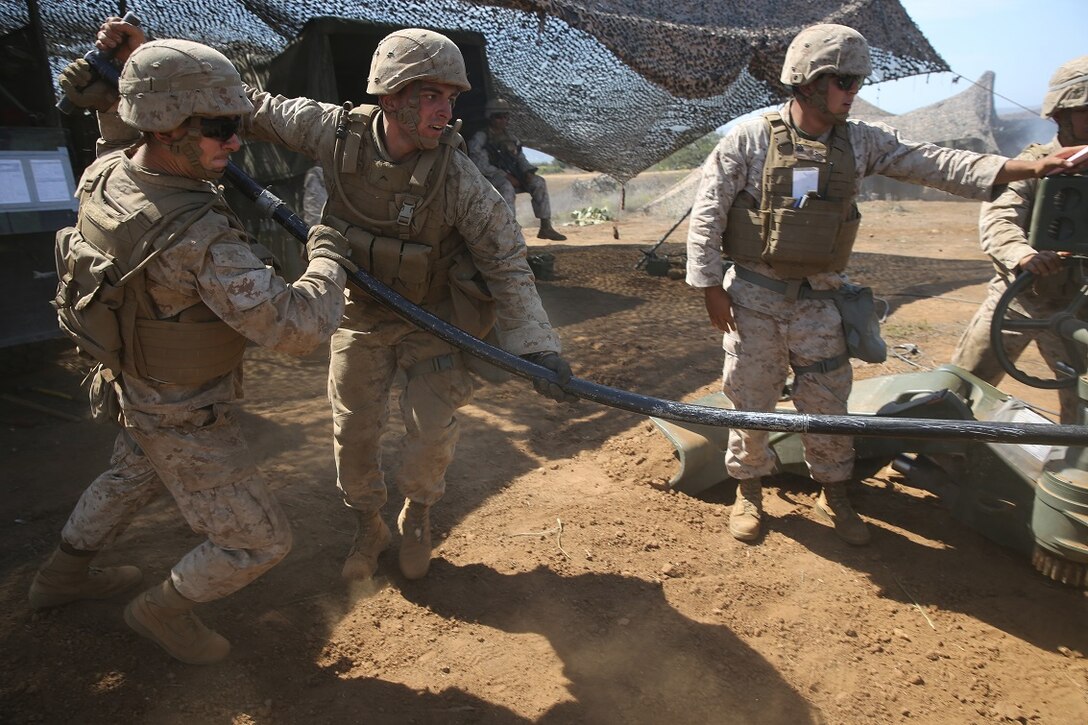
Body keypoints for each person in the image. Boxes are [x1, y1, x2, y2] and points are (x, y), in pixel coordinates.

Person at [95, 21, 578, 582]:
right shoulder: (332, 131)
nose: (443, 111)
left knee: (429, 437)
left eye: (449, 98)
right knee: (354, 433)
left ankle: (418, 513)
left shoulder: (461, 179)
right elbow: (240, 106)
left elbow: (506, 264)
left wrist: (539, 351)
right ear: (390, 95)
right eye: (429, 96)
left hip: (437, 323)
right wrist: (153, 60)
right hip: (362, 316)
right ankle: (367, 524)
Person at [685, 24, 1088, 546]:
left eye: (858, 82)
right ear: (808, 81)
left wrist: (1030, 167)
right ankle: (748, 490)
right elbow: (707, 214)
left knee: (828, 406)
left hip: (821, 300)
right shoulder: (751, 138)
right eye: (846, 82)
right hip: (754, 298)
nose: (855, 93)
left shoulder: (861, 142)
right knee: (751, 397)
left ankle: (836, 494)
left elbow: (936, 163)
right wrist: (710, 287)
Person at [29, 36, 353, 665]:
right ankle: (162, 611)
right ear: (169, 129)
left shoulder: (106, 174)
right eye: (220, 129)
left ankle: (57, 580)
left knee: (129, 477)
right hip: (185, 413)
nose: (236, 143)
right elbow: (297, 330)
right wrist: (328, 258)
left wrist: (115, 88)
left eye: (237, 125)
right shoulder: (199, 240)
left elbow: (118, 137)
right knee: (258, 542)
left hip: (132, 381)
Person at [950, 56, 1088, 425]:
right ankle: (937, 457)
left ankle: (1071, 474)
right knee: (960, 388)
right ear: (1062, 114)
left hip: (1077, 307)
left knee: (1082, 408)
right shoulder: (1035, 165)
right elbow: (999, 218)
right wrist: (1024, 255)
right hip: (1019, 298)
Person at [468, 98, 567, 241]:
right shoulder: (481, 138)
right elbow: (480, 165)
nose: (503, 120)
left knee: (539, 182)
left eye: (505, 117)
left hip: (513, 175)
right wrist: (506, 176)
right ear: (490, 117)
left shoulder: (511, 138)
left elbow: (521, 158)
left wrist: (527, 172)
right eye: (498, 117)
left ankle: (546, 227)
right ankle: (510, 232)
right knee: (506, 188)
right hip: (490, 178)